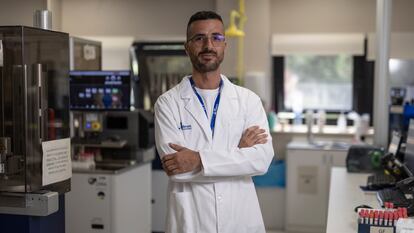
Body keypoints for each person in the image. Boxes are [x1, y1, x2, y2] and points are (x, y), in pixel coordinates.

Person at [154, 10, 274, 233]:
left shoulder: (248, 100)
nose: (208, 45)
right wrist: (238, 153)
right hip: (192, 221)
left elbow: (261, 160)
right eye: (199, 38)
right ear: (187, 47)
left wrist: (197, 159)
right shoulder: (168, 103)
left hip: (240, 219)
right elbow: (177, 169)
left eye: (216, 37)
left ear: (225, 46)